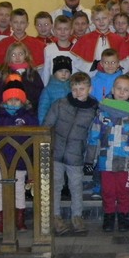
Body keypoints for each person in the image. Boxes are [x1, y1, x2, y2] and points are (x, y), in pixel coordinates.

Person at [86, 75, 129, 232]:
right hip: (106, 159)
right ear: (113, 90)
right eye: (119, 88)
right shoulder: (102, 112)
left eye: (126, 90)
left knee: (124, 191)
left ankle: (123, 217)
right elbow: (94, 136)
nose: (122, 92)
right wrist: (89, 159)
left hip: (126, 160)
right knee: (108, 191)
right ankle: (108, 216)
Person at [43, 72, 99, 235]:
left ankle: (77, 216)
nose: (78, 92)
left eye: (82, 89)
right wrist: (46, 149)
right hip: (56, 152)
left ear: (89, 89)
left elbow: (94, 135)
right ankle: (55, 216)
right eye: (74, 89)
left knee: (76, 186)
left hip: (76, 154)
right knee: (56, 185)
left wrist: (90, 158)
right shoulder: (60, 104)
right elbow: (47, 126)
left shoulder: (94, 109)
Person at [0, 74, 38, 236]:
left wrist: (31, 155)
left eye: (17, 100)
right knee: (1, 190)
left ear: (23, 101)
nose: (13, 103)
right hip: (2, 160)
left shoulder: (28, 118)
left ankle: (19, 219)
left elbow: (34, 136)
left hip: (21, 161)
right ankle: (1, 221)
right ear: (4, 101)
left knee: (19, 190)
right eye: (10, 100)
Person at [72, 4, 124, 76]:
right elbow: (78, 62)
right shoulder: (85, 39)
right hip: (92, 76)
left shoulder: (118, 39)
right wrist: (93, 67)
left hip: (114, 76)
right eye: (97, 19)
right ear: (92, 20)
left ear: (109, 18)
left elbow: (125, 61)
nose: (101, 21)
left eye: (104, 18)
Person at [0, 41, 44, 114]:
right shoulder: (2, 73)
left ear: (25, 55)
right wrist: (0, 110)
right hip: (6, 113)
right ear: (9, 57)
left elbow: (40, 94)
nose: (17, 57)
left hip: (29, 113)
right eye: (13, 55)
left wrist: (32, 107)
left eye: (20, 54)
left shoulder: (32, 73)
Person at [41, 15, 78, 86]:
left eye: (66, 29)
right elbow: (46, 71)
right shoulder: (49, 49)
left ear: (71, 31)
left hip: (72, 87)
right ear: (54, 31)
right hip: (54, 86)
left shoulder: (76, 49)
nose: (62, 32)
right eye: (59, 29)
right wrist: (46, 87)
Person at [38, 55, 72, 124]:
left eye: (67, 71)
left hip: (69, 123)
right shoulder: (48, 90)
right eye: (60, 71)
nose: (63, 74)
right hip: (53, 123)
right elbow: (43, 109)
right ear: (54, 72)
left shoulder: (73, 87)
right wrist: (43, 126)